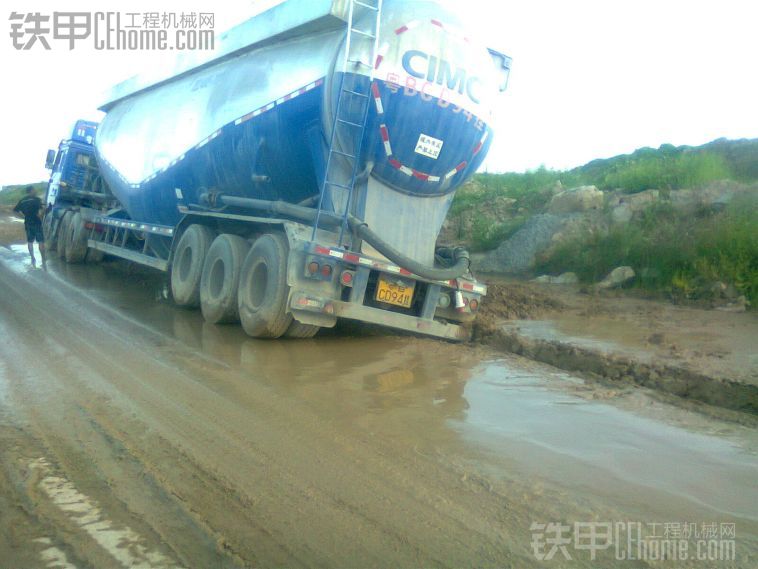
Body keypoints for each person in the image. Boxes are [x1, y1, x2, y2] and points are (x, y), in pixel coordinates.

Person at [13, 185, 46, 268]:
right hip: (37, 222)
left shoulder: (22, 201)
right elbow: (42, 210)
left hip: (27, 222)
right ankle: (43, 259)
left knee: (30, 241)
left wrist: (23, 217)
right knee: (40, 241)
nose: (35, 191)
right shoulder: (36, 200)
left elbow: (15, 211)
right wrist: (41, 214)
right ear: (31, 191)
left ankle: (32, 258)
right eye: (34, 190)